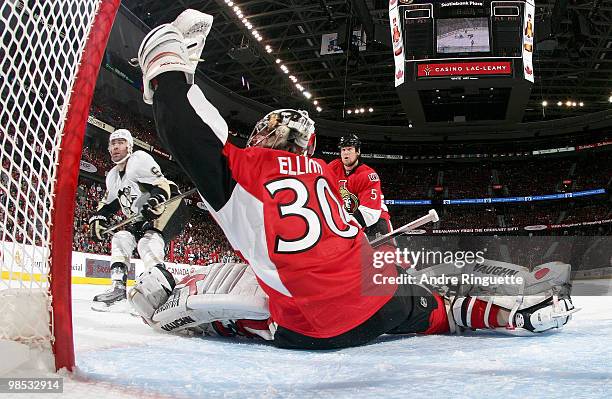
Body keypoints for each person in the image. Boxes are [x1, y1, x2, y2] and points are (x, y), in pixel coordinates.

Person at [127, 9, 576, 347]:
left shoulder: (245, 169)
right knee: (433, 308)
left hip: (318, 325)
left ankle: (192, 311)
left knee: (244, 312)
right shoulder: (323, 172)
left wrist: (167, 66)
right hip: (381, 300)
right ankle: (503, 315)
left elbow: (187, 132)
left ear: (268, 135)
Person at [88, 128, 187, 311]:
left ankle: (161, 289)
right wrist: (98, 217)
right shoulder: (112, 176)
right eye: (113, 143)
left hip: (171, 204)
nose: (116, 147)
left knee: (147, 243)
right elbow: (109, 204)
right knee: (121, 238)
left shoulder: (138, 159)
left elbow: (161, 185)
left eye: (121, 143)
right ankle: (118, 290)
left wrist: (155, 200)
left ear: (130, 146)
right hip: (142, 215)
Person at [328, 134, 392, 240]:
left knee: (383, 255)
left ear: (358, 152)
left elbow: (370, 212)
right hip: (349, 219)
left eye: (349, 149)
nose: (346, 153)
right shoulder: (333, 168)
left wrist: (343, 228)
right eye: (343, 149)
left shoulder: (368, 175)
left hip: (375, 221)